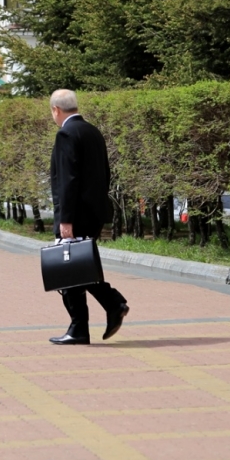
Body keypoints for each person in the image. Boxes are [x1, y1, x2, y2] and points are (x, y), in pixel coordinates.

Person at [47, 89, 129, 345]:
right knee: (78, 268)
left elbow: (68, 180)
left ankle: (107, 307)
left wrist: (66, 219)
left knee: (69, 268)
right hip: (93, 212)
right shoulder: (92, 131)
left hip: (76, 215)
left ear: (56, 110)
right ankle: (85, 323)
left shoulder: (66, 133)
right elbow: (104, 173)